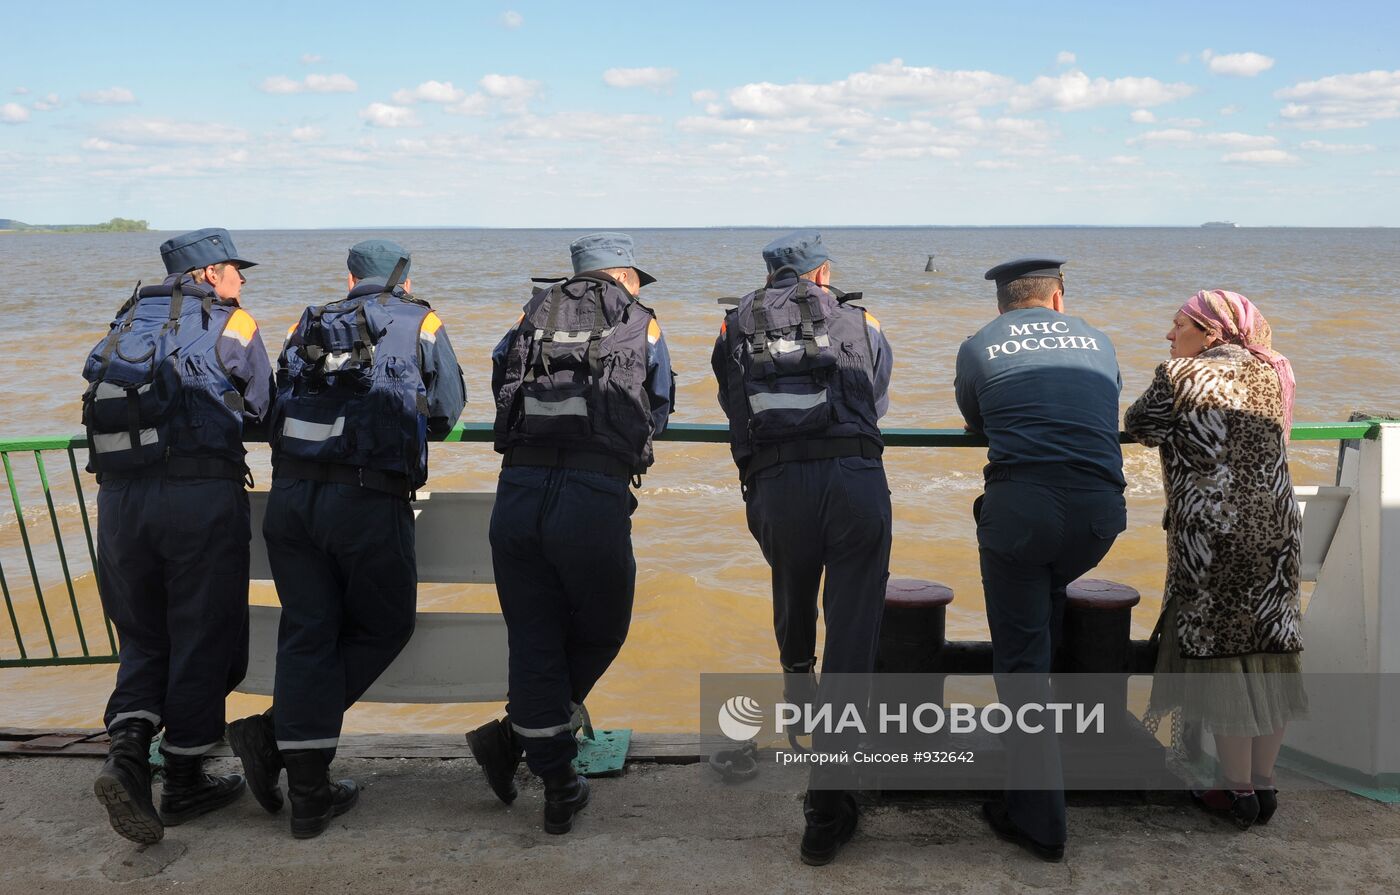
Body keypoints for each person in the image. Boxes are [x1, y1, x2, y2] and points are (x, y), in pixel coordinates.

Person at [227, 239, 465, 839]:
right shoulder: (421, 320)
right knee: (386, 625)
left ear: (351, 276)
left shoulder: (305, 320)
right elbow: (447, 409)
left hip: (292, 500)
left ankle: (309, 797)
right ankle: (275, 737)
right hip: (365, 502)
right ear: (403, 281)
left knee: (308, 633)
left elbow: (276, 400)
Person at [467, 232, 673, 835]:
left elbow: (499, 372)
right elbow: (657, 402)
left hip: (519, 491)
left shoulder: (531, 314)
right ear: (626, 277)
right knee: (604, 630)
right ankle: (514, 741)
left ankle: (558, 782)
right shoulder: (639, 320)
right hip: (591, 495)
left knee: (534, 640)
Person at [82, 228, 272, 844]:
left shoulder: (128, 317)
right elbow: (265, 410)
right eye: (236, 271)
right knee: (202, 632)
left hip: (120, 501)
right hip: (197, 500)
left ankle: (128, 754)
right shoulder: (233, 324)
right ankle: (186, 778)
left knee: (145, 631)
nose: (242, 280)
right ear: (211, 274)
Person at [711, 230, 893, 866]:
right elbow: (876, 395)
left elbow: (733, 402)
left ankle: (795, 677)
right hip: (852, 481)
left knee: (791, 580)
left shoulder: (737, 323)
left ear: (768, 273)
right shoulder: (859, 318)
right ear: (822, 273)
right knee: (852, 636)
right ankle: (826, 811)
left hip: (776, 482)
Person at [954, 257, 1126, 862]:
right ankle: (1072, 759)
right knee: (1044, 615)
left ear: (1002, 305)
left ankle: (1039, 820)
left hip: (1023, 509)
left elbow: (976, 420)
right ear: (1058, 299)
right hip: (1101, 514)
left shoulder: (978, 346)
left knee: (1022, 664)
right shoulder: (1098, 340)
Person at [1125, 289, 1305, 829]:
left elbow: (1139, 425)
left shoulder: (1178, 375)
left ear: (1209, 334)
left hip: (1215, 538)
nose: (1169, 335)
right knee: (1270, 650)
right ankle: (1266, 785)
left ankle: (1237, 791)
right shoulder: (1274, 371)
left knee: (1223, 656)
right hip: (1277, 528)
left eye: (1178, 324)